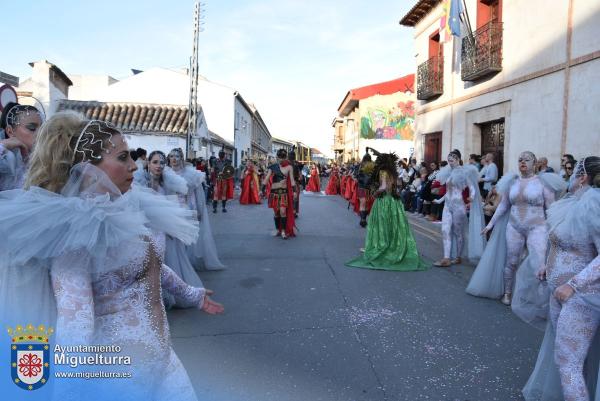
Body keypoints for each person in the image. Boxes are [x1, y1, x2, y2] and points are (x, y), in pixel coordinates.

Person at [0, 112, 223, 401]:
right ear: (88, 168)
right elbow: (75, 326)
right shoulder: (76, 236)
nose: (133, 165)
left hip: (164, 361)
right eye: (122, 158)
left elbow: (150, 264)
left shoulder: (126, 209)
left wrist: (191, 294)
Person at [520, 156, 600, 401]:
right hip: (559, 292)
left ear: (583, 176)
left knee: (568, 361)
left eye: (575, 171)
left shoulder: (595, 205)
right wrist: (547, 265)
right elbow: (560, 243)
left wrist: (573, 284)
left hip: (582, 295)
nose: (571, 175)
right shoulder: (572, 203)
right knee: (573, 358)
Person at [467, 151, 566, 305]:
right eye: (520, 159)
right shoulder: (512, 182)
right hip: (514, 227)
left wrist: (555, 230)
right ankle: (508, 293)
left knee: (538, 263)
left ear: (535, 163)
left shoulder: (542, 183)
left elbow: (551, 209)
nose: (523, 162)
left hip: (537, 227)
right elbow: (503, 205)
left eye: (527, 160)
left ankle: (539, 298)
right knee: (511, 261)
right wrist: (490, 224)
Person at [346, 151, 427, 271]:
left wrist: (375, 192)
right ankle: (392, 246)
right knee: (393, 224)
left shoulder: (383, 172)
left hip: (384, 200)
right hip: (394, 201)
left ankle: (379, 246)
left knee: (381, 224)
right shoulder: (393, 173)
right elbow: (398, 185)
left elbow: (383, 187)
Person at [167, 148, 225, 272]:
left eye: (177, 156)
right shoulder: (165, 173)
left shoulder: (190, 173)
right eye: (171, 156)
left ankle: (186, 264)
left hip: (187, 209)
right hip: (171, 210)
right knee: (174, 239)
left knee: (187, 238)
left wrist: (197, 210)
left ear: (181, 158)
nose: (174, 159)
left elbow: (195, 194)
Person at [432, 149, 486, 267]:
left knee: (457, 232)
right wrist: (439, 200)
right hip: (447, 205)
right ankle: (446, 258)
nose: (450, 158)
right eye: (449, 156)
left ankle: (458, 257)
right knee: (445, 229)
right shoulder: (448, 173)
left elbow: (472, 187)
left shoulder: (463, 172)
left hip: (458, 206)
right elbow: (448, 191)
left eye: (453, 156)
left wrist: (471, 198)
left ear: (458, 159)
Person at [0, 102, 43, 191]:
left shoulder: (46, 159)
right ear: (10, 131)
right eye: (32, 128)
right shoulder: (5, 160)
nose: (40, 134)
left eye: (42, 129)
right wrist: (2, 145)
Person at [263, 148, 296, 239]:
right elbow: (266, 178)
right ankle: (278, 229)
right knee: (276, 213)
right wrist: (261, 189)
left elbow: (292, 180)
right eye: (279, 158)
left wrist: (295, 191)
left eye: (283, 158)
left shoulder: (289, 167)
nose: (281, 159)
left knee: (283, 212)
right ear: (277, 157)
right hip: (274, 193)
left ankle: (283, 232)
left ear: (285, 158)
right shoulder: (273, 167)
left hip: (284, 193)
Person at [210, 148, 234, 213]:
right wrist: (212, 179)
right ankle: (215, 208)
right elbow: (212, 170)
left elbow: (230, 171)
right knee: (216, 193)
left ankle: (223, 207)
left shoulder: (227, 161)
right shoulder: (214, 161)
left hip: (224, 179)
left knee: (223, 193)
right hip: (217, 179)